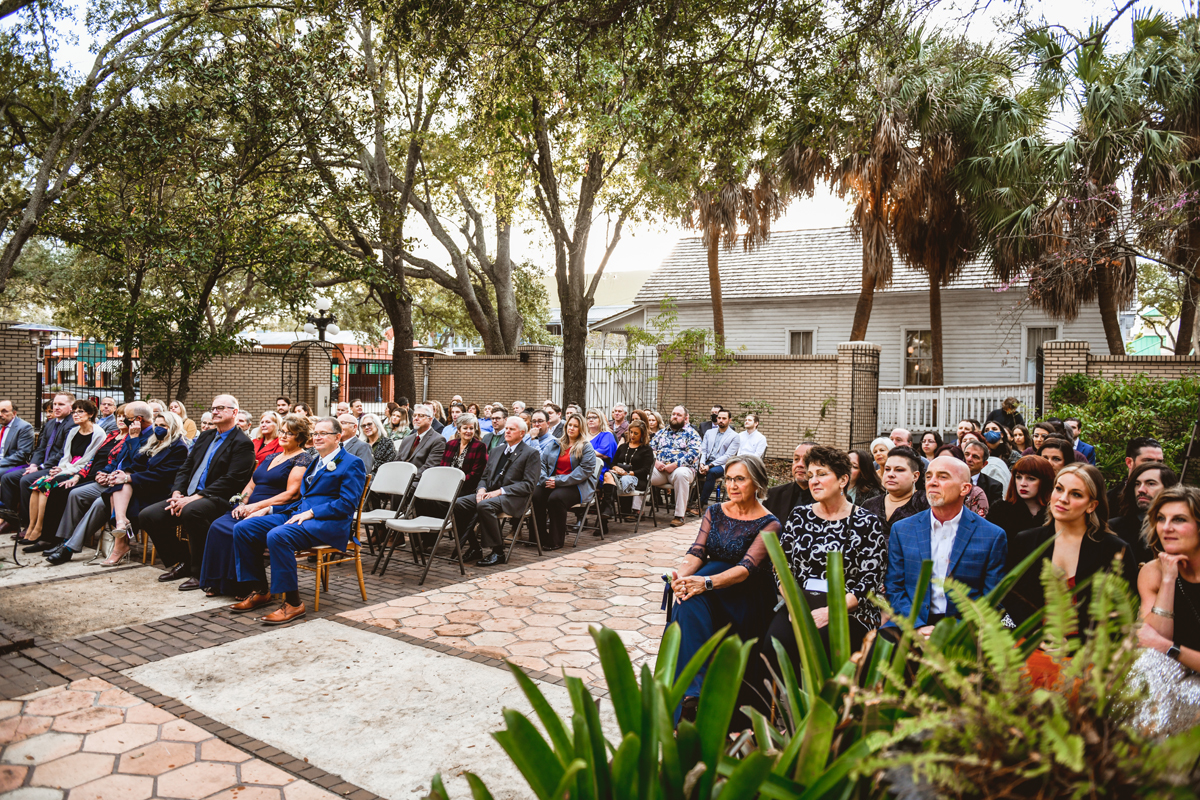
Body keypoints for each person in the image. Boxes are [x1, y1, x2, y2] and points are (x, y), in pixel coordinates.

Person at [750, 447, 886, 713]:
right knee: (773, 644)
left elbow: (869, 580)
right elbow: (781, 566)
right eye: (811, 475)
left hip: (849, 607)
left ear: (843, 480)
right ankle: (767, 722)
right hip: (800, 601)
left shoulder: (866, 521)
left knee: (825, 639)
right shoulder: (800, 517)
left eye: (822, 474)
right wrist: (793, 603)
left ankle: (831, 717)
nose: (813, 480)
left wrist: (830, 612)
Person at [667, 455, 780, 723]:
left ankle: (695, 692)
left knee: (692, 598)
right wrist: (680, 577)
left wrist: (704, 583)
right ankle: (691, 693)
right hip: (708, 588)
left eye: (740, 479)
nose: (732, 485)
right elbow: (697, 552)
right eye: (729, 479)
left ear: (756, 483)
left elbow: (745, 569)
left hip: (745, 594)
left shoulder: (770, 523)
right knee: (686, 600)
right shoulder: (714, 512)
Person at [1006, 464, 1136, 689]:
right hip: (1031, 645)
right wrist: (1036, 633)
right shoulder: (1025, 541)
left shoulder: (1114, 550)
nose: (1062, 498)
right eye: (1059, 489)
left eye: (1076, 494)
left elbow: (1125, 613)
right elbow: (1011, 597)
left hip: (1089, 655)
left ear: (1091, 505)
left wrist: (1077, 645)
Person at [230, 416, 366, 624]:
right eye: (315, 434)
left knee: (278, 536)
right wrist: (269, 509)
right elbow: (303, 499)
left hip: (327, 522)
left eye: (323, 433)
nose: (317, 437)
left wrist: (312, 513)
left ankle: (293, 604)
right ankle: (260, 590)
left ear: (338, 437)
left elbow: (347, 504)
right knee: (244, 528)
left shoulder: (352, 463)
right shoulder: (315, 461)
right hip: (298, 515)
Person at [140, 396, 256, 586]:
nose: (215, 412)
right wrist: (177, 493)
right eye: (213, 408)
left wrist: (194, 498)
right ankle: (183, 561)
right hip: (189, 496)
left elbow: (232, 480)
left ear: (234, 412)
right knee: (148, 515)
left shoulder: (242, 443)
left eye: (220, 408)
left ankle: (200, 571)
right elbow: (186, 467)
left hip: (219, 498)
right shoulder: (206, 436)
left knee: (192, 511)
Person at [886, 456, 1007, 635]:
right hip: (910, 622)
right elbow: (894, 587)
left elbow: (991, 599)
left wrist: (951, 632)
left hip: (965, 628)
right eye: (929, 477)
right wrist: (918, 627)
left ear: (964, 488)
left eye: (943, 477)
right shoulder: (902, 530)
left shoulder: (992, 536)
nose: (932, 482)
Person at [199, 416, 312, 597]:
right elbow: (251, 485)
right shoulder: (272, 456)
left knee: (236, 530)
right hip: (249, 507)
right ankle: (218, 582)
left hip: (273, 509)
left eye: (289, 433)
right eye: (282, 431)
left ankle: (243, 586)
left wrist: (255, 507)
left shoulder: (302, 458)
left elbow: (291, 494)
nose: (283, 435)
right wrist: (242, 502)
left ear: (300, 437)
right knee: (218, 526)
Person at [43, 403, 153, 564]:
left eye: (127, 418)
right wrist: (105, 472)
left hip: (129, 485)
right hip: (111, 479)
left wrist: (135, 439)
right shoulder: (131, 433)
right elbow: (117, 458)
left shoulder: (151, 436)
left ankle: (69, 548)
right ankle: (64, 540)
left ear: (138, 419)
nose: (124, 421)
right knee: (75, 494)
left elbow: (138, 464)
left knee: (99, 503)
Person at [34, 405, 128, 556]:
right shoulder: (112, 435)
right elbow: (92, 459)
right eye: (119, 416)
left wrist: (101, 474)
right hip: (88, 473)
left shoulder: (127, 438)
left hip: (101, 478)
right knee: (58, 488)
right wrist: (77, 475)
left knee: (66, 491)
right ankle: (52, 537)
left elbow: (118, 462)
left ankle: (62, 541)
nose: (121, 419)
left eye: (125, 417)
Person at [104, 410, 192, 566]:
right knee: (117, 485)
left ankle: (120, 539)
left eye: (163, 425)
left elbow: (162, 475)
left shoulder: (179, 447)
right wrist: (122, 473)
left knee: (120, 492)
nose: (158, 428)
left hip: (161, 489)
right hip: (145, 485)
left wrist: (128, 477)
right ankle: (121, 523)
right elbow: (137, 463)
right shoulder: (153, 441)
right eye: (156, 425)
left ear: (172, 426)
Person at [452, 415, 542, 567]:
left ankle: (498, 552)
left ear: (522, 433)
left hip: (513, 497)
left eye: (511, 429)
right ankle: (474, 547)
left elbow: (528, 485)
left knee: (484, 505)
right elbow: (485, 476)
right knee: (457, 504)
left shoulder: (530, 453)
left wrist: (499, 491)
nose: (507, 431)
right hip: (489, 494)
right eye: (506, 428)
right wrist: (481, 489)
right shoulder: (496, 450)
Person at [20, 400, 105, 550]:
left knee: (50, 486)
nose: (75, 415)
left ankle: (43, 533)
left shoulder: (98, 433)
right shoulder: (73, 431)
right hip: (67, 468)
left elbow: (88, 460)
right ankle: (32, 528)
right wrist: (60, 468)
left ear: (90, 414)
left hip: (81, 472)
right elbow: (66, 456)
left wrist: (66, 471)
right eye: (74, 411)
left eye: (80, 411)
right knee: (38, 484)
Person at [1135, 485, 1200, 674]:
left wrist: (1169, 648)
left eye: (1179, 519)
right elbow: (1149, 643)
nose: (1167, 528)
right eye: (1161, 519)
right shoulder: (1153, 571)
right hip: (1174, 675)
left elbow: (1160, 643)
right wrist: (1168, 580)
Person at [0, 392, 76, 537]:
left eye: (61, 404)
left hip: (57, 468)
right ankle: (10, 520)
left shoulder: (72, 424)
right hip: (41, 465)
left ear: (71, 407)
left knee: (26, 480)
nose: (56, 408)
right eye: (55, 404)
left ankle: (29, 524)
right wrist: (34, 464)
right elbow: (40, 448)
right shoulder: (51, 423)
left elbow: (62, 453)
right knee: (9, 478)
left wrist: (41, 467)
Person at [422, 412, 490, 558]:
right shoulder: (451, 444)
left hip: (467, 488)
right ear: (458, 430)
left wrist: (456, 482)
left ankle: (472, 546)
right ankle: (429, 538)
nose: (468, 431)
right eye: (465, 428)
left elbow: (476, 473)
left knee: (453, 506)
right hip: (447, 487)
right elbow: (443, 466)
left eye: (471, 428)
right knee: (427, 499)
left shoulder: (479, 447)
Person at [532, 413, 598, 550]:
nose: (571, 428)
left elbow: (584, 472)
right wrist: (545, 479)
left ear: (581, 429)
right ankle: (539, 535)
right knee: (536, 495)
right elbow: (542, 463)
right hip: (552, 481)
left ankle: (555, 540)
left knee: (556, 499)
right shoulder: (555, 443)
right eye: (569, 425)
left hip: (576, 485)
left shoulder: (586, 447)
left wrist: (558, 481)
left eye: (576, 426)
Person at [1110, 461, 1178, 567]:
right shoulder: (1114, 528)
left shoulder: (1179, 531)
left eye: (1150, 483)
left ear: (1168, 489)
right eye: (1137, 484)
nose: (1141, 490)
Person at [650, 406, 702, 527]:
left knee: (681, 474)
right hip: (661, 470)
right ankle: (637, 510)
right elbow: (650, 449)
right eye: (673, 414)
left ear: (685, 418)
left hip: (682, 469)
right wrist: (655, 462)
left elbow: (694, 454)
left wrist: (676, 465)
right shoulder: (661, 432)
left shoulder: (692, 434)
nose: (675, 416)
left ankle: (679, 515)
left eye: (679, 415)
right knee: (644, 472)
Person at [863, 447, 929, 537]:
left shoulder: (926, 502)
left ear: (915, 476)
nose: (891, 474)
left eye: (899, 470)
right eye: (887, 469)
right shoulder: (869, 505)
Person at [986, 455, 1055, 540]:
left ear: (1045, 481)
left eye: (1031, 478)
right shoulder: (1000, 510)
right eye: (1018, 477)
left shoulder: (1054, 512)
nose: (1023, 483)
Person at [604, 419, 654, 521]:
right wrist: (617, 468)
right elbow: (613, 463)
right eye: (631, 432)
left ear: (642, 435)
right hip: (620, 475)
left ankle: (609, 509)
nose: (632, 435)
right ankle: (608, 509)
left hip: (638, 479)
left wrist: (628, 473)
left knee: (621, 481)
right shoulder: (623, 447)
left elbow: (646, 470)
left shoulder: (646, 449)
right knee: (608, 476)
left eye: (636, 433)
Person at [696, 408, 739, 511]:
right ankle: (689, 501)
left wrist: (709, 465)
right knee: (692, 469)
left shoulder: (735, 436)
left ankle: (701, 504)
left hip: (723, 464)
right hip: (706, 461)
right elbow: (704, 450)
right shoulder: (709, 433)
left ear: (730, 420)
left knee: (711, 472)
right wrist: (702, 463)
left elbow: (728, 456)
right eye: (719, 418)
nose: (721, 420)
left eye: (724, 418)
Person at [1107, 437, 1166, 511]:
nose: (1155, 466)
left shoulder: (1168, 497)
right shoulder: (1109, 500)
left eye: (1159, 462)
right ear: (1129, 462)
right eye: (1148, 461)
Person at [765, 442, 816, 521]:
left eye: (807, 460)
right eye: (796, 459)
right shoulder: (773, 495)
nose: (800, 464)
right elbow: (765, 530)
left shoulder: (827, 498)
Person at [584, 409, 618, 518]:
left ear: (601, 419)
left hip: (599, 471)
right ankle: (580, 517)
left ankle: (602, 517)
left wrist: (582, 452)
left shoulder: (606, 435)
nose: (591, 420)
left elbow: (604, 453)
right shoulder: (582, 434)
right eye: (589, 417)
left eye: (594, 417)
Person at [962, 439, 1005, 508]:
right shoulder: (951, 481)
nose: (969, 459)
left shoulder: (994, 487)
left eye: (975, 457)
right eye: (967, 454)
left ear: (984, 464)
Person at [0, 401, 36, 478]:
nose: (0, 414)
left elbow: (22, 455)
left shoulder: (24, 427)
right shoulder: (1, 425)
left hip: (12, 465)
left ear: (14, 413)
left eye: (4, 411)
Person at [356, 412, 394, 477]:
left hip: (379, 477)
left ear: (377, 425)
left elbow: (387, 464)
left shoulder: (387, 442)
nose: (366, 427)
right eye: (363, 426)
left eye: (369, 424)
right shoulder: (360, 444)